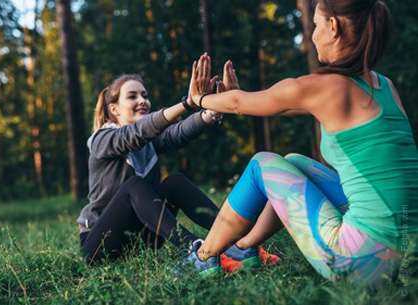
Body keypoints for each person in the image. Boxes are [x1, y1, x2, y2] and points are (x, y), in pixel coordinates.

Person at [185, 0, 418, 285]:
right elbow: (262, 104)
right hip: (410, 255)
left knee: (262, 164)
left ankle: (203, 257)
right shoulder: (384, 86)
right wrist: (244, 101)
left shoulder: (326, 86)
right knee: (294, 162)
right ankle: (244, 248)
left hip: (362, 263)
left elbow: (236, 103)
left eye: (316, 25)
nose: (312, 34)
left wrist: (199, 99)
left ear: (333, 27)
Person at [76, 72, 280, 267]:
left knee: (174, 182)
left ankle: (240, 241)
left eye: (145, 96)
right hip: (100, 246)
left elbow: (178, 132)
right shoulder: (100, 141)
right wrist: (187, 103)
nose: (142, 101)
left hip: (140, 242)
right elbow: (133, 135)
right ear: (114, 109)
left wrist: (216, 108)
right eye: (132, 96)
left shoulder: (150, 142)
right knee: (134, 186)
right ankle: (197, 250)